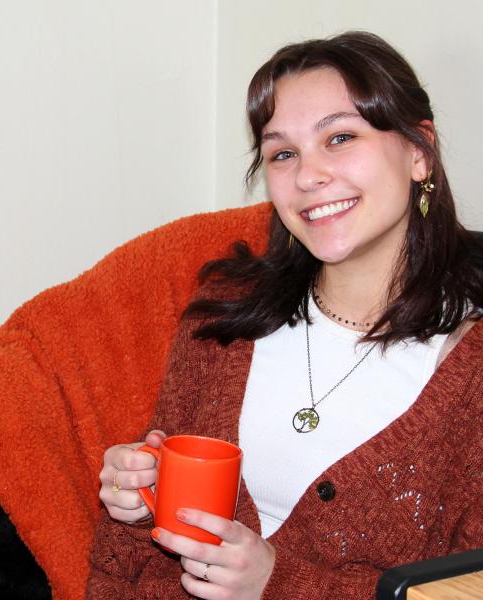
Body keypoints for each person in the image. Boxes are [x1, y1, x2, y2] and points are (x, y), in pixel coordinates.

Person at [87, 31, 483, 599]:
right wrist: (130, 505)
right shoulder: (221, 324)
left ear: (419, 151)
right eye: (282, 153)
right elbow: (129, 571)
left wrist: (278, 583)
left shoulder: (470, 378)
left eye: (340, 137)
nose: (307, 177)